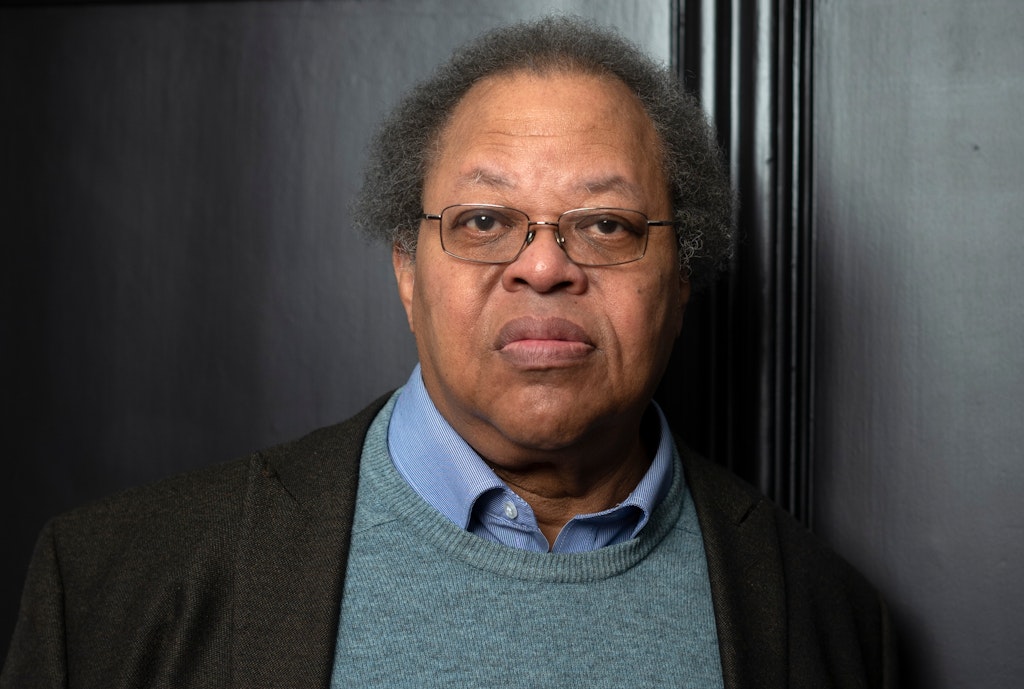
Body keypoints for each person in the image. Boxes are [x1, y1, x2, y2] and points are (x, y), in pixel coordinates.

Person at [1, 16, 895, 689]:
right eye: (484, 220)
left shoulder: (827, 618)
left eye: (606, 225)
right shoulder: (110, 587)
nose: (543, 266)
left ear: (682, 274)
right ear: (406, 268)